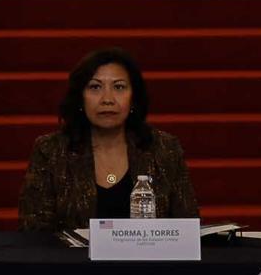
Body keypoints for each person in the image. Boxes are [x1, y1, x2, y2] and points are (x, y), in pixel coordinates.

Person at [17, 48, 199, 230]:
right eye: (95, 87)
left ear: (133, 97)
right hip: (73, 259)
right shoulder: (51, 150)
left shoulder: (163, 148)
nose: (107, 99)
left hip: (148, 259)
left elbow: (188, 228)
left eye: (119, 87)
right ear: (80, 97)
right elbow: (33, 230)